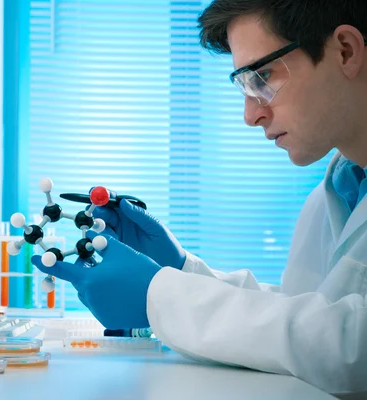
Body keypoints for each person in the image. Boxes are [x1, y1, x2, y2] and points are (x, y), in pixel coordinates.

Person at [31, 0, 367, 397]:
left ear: (345, 50)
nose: (250, 115)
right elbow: (301, 321)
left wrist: (161, 294)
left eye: (262, 77)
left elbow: (351, 349)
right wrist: (179, 269)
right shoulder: (338, 192)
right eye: (244, 85)